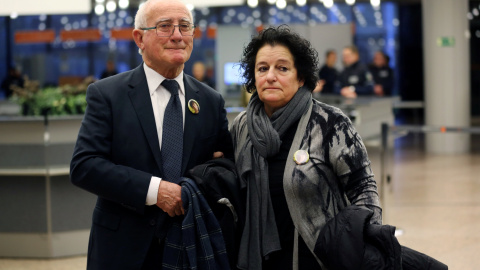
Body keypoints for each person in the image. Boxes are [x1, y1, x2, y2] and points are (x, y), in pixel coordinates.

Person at [70, 0, 233, 269]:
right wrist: (156, 191)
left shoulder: (210, 101)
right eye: (165, 27)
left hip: (190, 244)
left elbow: (225, 166)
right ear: (139, 38)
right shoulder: (108, 94)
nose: (177, 36)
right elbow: (84, 166)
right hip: (124, 248)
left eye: (184, 27)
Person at [231, 25, 382, 270]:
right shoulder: (242, 127)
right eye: (262, 68)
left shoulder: (330, 122)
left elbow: (363, 189)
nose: (270, 76)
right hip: (258, 259)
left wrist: (363, 247)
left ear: (300, 77)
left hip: (319, 259)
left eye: (282, 68)